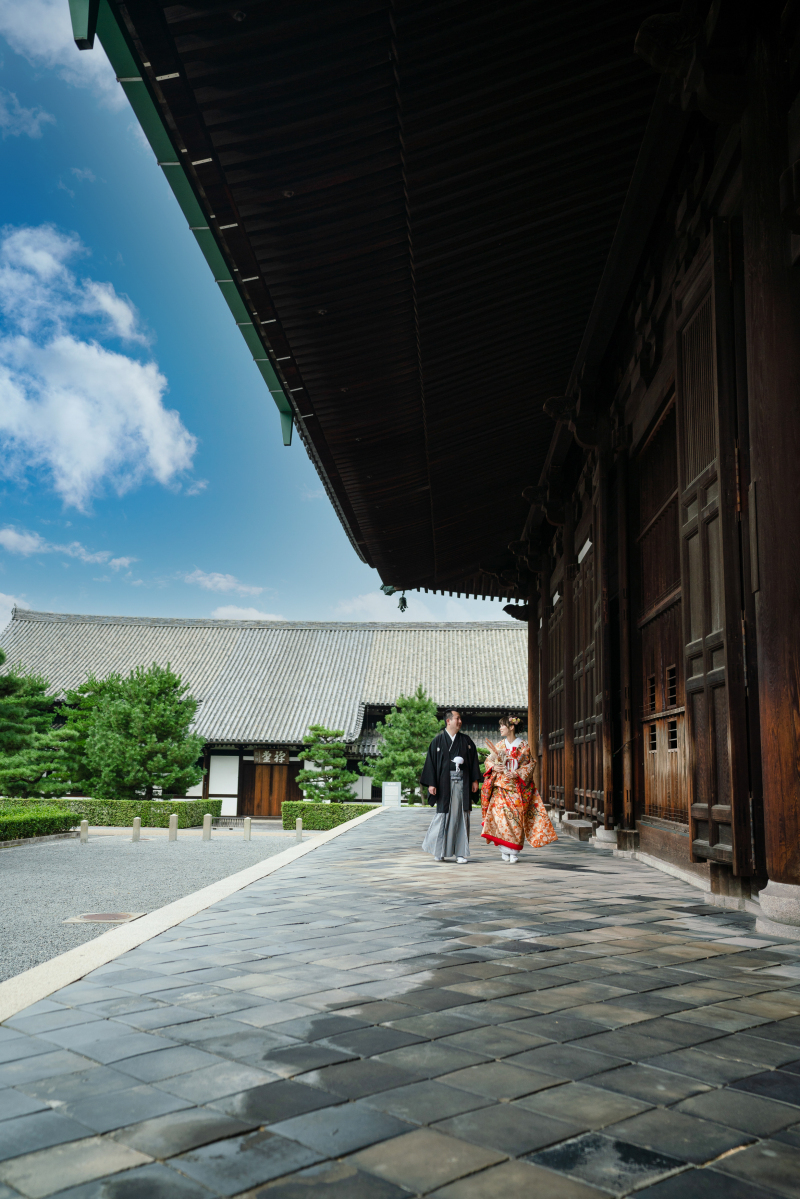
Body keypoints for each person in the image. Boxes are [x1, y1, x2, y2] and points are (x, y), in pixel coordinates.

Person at [480, 714, 557, 862]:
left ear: (511, 727)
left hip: (516, 789)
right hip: (500, 788)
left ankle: (513, 850)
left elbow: (530, 764)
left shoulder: (523, 745)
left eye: (503, 725)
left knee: (515, 820)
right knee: (500, 820)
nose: (500, 728)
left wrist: (516, 773)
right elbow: (488, 761)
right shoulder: (499, 745)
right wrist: (495, 766)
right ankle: (504, 849)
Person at [420, 708, 481, 863]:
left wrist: (475, 780)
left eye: (460, 719)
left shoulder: (466, 741)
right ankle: (438, 850)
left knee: (462, 816)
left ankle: (460, 853)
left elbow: (474, 761)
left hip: (462, 783)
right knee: (442, 816)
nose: (460, 721)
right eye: (457, 718)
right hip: (443, 784)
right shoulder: (438, 741)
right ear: (448, 721)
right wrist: (431, 783)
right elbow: (431, 763)